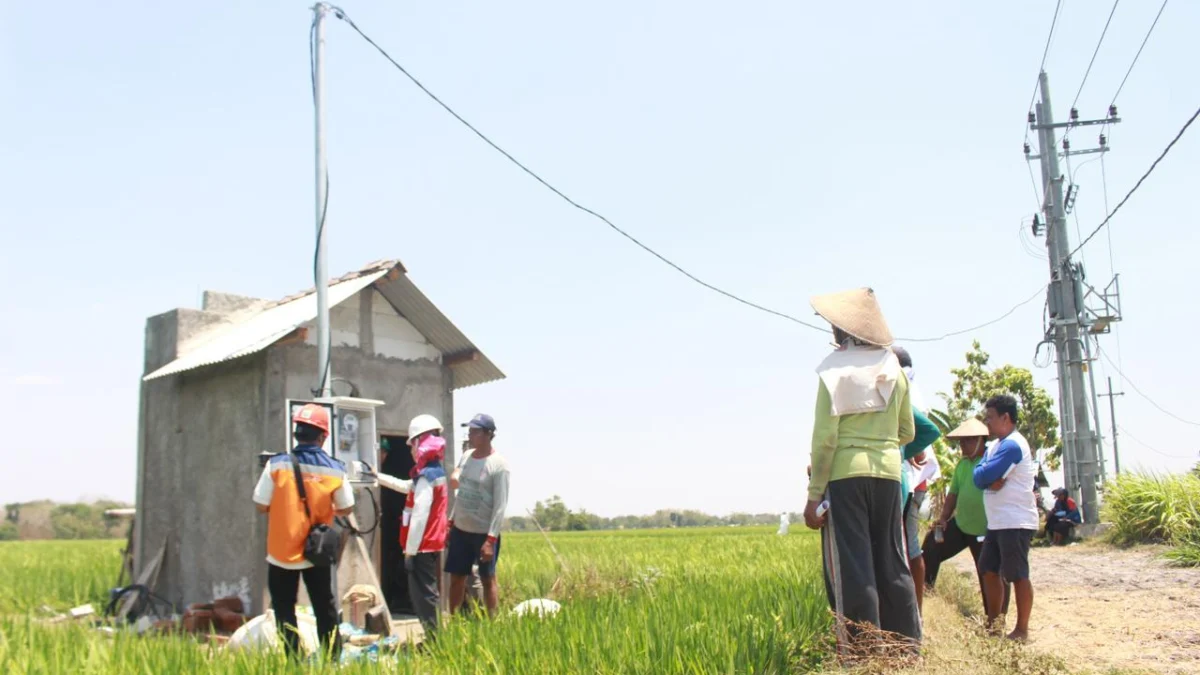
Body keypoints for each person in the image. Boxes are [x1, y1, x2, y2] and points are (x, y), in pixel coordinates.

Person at [803, 287, 923, 653]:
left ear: (841, 331)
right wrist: (882, 441)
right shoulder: (894, 369)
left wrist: (813, 498)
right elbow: (908, 432)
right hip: (888, 473)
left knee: (855, 564)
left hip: (846, 476)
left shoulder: (832, 371)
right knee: (893, 558)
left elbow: (825, 440)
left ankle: (865, 652)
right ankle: (906, 648)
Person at [253, 403, 354, 661]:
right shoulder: (335, 469)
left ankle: (293, 660)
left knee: (284, 608)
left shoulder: (276, 464)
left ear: (297, 432)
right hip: (315, 550)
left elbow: (260, 504)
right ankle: (332, 659)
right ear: (323, 436)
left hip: (281, 551)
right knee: (324, 606)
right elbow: (346, 507)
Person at [921, 418, 1010, 617]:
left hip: (986, 529)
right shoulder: (962, 465)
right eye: (961, 441)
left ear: (981, 440)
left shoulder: (992, 459)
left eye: (968, 440)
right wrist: (943, 518)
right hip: (962, 525)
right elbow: (953, 494)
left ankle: (995, 621)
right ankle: (926, 592)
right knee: (931, 545)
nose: (962, 445)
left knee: (989, 572)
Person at [375, 414, 449, 641]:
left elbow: (419, 517)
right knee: (426, 593)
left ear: (420, 443)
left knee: (424, 596)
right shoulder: (432, 473)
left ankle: (435, 640)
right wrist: (376, 476)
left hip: (422, 546)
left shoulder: (427, 476)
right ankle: (434, 638)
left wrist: (410, 551)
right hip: (428, 545)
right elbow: (407, 486)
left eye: (412, 445)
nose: (410, 451)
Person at [974, 394, 1039, 641]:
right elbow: (978, 476)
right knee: (988, 569)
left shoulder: (1013, 445)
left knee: (1017, 574)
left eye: (990, 417)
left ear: (1005, 417)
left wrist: (987, 476)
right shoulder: (994, 446)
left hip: (1015, 520)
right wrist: (988, 477)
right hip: (998, 521)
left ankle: (1022, 630)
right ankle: (994, 625)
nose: (987, 423)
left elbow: (982, 475)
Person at [447, 413, 510, 617]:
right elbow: (461, 491)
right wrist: (451, 522)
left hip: (483, 533)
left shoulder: (498, 465)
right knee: (457, 577)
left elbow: (500, 505)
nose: (470, 435)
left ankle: (493, 622)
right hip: (461, 529)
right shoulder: (466, 456)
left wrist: (491, 540)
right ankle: (454, 622)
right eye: (470, 431)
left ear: (488, 434)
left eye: (475, 431)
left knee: (487, 577)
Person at [893, 346, 941, 613]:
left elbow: (919, 440)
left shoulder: (903, 386)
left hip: (911, 481)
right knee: (907, 542)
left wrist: (904, 450)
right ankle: (914, 612)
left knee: (906, 543)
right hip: (914, 480)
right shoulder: (910, 386)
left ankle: (914, 612)